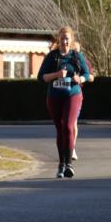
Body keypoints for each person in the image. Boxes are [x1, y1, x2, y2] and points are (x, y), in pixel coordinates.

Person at [38, 26, 91, 178]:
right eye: (62, 39)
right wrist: (57, 74)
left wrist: (79, 78)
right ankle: (61, 164)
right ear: (58, 40)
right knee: (60, 129)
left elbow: (87, 74)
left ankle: (69, 164)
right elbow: (41, 77)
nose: (65, 41)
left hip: (73, 94)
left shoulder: (76, 56)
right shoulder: (52, 57)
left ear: (71, 40)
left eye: (67, 39)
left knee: (68, 126)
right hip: (54, 97)